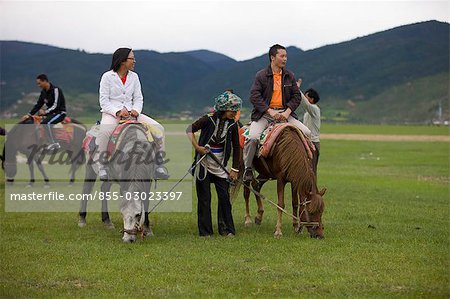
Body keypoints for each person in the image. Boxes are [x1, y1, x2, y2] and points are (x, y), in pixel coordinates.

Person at [95, 47, 168, 180]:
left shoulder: (134, 77)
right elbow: (104, 101)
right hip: (112, 114)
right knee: (104, 132)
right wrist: (117, 112)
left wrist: (136, 110)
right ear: (123, 61)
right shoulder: (107, 76)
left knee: (159, 129)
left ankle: (159, 164)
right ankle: (102, 166)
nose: (134, 61)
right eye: (132, 59)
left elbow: (139, 98)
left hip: (132, 113)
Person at [243, 44, 311, 182]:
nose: (285, 59)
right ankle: (248, 169)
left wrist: (287, 112)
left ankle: (305, 167)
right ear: (272, 58)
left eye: (286, 56)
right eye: (282, 56)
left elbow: (296, 96)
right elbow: (254, 96)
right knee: (253, 138)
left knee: (307, 133)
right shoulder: (261, 75)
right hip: (264, 115)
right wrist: (269, 111)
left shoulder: (289, 75)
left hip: (285, 114)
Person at [186, 91, 241, 237]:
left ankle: (227, 229)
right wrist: (197, 147)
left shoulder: (233, 125)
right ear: (223, 108)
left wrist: (235, 169)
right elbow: (189, 129)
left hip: (221, 166)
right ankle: (205, 232)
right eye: (232, 110)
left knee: (224, 198)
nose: (234, 113)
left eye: (235, 110)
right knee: (205, 199)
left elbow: (237, 148)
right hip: (203, 164)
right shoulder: (207, 119)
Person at [22, 74, 67, 150]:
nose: (38, 85)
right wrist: (28, 115)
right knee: (37, 123)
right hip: (50, 114)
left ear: (45, 81)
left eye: (39, 83)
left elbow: (56, 105)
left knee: (46, 123)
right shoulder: (43, 93)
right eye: (37, 84)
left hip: (60, 113)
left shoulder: (56, 90)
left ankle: (54, 143)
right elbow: (38, 105)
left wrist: (45, 112)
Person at [297, 79, 321, 177]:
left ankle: (312, 191)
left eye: (306, 97)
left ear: (311, 99)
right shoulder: (308, 113)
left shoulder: (314, 109)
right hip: (305, 141)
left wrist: (297, 89)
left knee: (311, 170)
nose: (304, 99)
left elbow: (305, 104)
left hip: (313, 143)